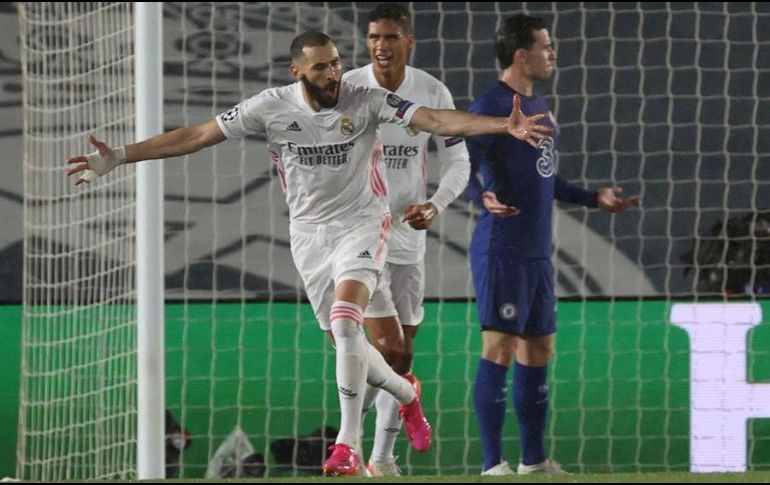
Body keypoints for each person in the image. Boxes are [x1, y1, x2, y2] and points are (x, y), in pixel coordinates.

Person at [66, 31, 552, 477]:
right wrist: (119, 157)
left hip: (364, 222)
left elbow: (436, 119)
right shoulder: (270, 107)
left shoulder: (366, 100)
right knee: (350, 345)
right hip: (309, 236)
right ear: (297, 72)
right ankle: (406, 393)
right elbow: (195, 136)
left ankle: (348, 445)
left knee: (346, 322)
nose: (333, 73)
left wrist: (498, 126)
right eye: (321, 67)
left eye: (337, 63)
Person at [464, 14, 639, 476]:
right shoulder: (492, 103)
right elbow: (458, 161)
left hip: (537, 252)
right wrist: (478, 193)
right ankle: (491, 464)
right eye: (546, 46)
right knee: (499, 347)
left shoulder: (539, 104)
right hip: (502, 247)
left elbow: (544, 177)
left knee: (538, 350)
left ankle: (534, 461)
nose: (553, 53)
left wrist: (594, 199)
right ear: (522, 55)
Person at [342, 3, 471, 477]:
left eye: (391, 37)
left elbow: (459, 160)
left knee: (402, 353)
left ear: (408, 41)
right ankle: (350, 445)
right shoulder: (349, 88)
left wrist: (436, 204)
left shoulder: (431, 91)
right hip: (359, 232)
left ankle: (379, 458)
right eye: (374, 36)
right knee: (381, 348)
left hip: (408, 235)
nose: (381, 45)